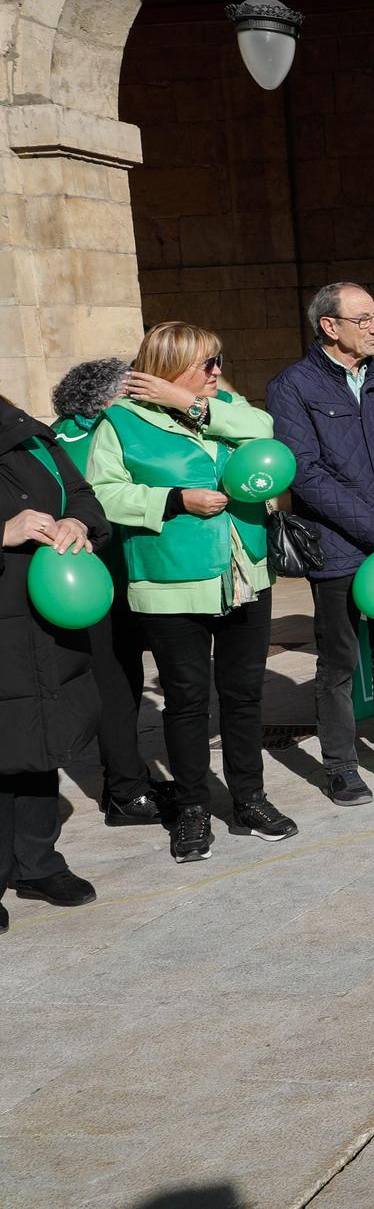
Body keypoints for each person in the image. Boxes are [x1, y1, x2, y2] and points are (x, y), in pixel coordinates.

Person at [87, 323, 296, 862]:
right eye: (207, 364)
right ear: (171, 365)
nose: (218, 372)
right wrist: (175, 499)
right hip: (171, 582)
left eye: (218, 360)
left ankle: (249, 799)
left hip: (244, 574)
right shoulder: (121, 423)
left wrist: (192, 401)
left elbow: (266, 433)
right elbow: (103, 495)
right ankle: (192, 809)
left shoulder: (224, 406)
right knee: (185, 703)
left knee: (245, 697)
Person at [267, 282, 374, 805]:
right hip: (339, 547)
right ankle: (341, 766)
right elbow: (304, 473)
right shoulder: (293, 386)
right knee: (339, 663)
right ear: (330, 326)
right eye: (364, 318)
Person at [0, 391, 110, 928]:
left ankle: (38, 863)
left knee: (40, 739)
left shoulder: (27, 431)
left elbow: (84, 495)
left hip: (44, 621)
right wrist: (3, 532)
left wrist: (79, 525)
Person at [50, 357, 161, 827]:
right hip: (99, 581)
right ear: (103, 402)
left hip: (90, 582)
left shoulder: (53, 435)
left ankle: (127, 774)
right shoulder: (99, 437)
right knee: (116, 685)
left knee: (120, 681)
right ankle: (125, 791)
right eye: (131, 395)